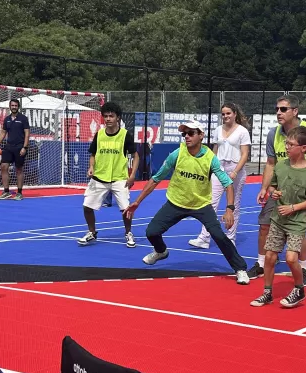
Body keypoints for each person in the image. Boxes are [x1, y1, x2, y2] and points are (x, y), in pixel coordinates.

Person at [125, 120, 250, 285]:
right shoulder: (177, 154)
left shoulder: (210, 158)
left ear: (201, 135)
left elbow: (227, 184)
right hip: (176, 202)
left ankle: (240, 269)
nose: (187, 137)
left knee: (219, 235)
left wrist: (229, 209)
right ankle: (161, 251)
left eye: (191, 133)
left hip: (201, 205)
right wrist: (137, 202)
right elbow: (156, 179)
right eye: (184, 134)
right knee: (151, 232)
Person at [250, 94, 306, 286]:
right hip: (278, 188)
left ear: (295, 111)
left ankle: (304, 266)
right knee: (265, 225)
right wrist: (264, 188)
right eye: (277, 109)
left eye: (283, 109)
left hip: (299, 191)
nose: (278, 113)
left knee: (298, 230)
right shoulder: (274, 134)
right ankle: (261, 262)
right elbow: (271, 163)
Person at [190, 102, 252, 249]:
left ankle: (230, 238)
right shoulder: (218, 130)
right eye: (223, 114)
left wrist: (235, 171)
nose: (225, 116)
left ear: (234, 114)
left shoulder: (242, 131)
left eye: (228, 113)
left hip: (235, 167)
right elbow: (215, 151)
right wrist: (210, 168)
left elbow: (245, 154)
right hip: (219, 168)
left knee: (233, 204)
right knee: (210, 202)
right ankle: (204, 238)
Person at [77, 102, 138, 248]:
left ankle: (128, 233)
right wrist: (91, 167)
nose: (108, 119)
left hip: (119, 178)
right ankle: (92, 232)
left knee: (126, 209)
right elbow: (92, 154)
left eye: (111, 116)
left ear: (118, 118)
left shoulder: (125, 135)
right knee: (87, 207)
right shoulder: (99, 134)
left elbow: (136, 156)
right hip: (99, 177)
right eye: (106, 116)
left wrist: (132, 175)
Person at [0, 98, 30, 200]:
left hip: (20, 147)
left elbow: (27, 133)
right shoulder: (7, 119)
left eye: (15, 105)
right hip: (9, 147)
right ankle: (6, 192)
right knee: (3, 166)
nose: (14, 107)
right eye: (12, 105)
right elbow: (3, 133)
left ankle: (19, 193)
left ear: (18, 107)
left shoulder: (23, 119)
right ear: (10, 107)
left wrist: (25, 147)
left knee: (19, 169)